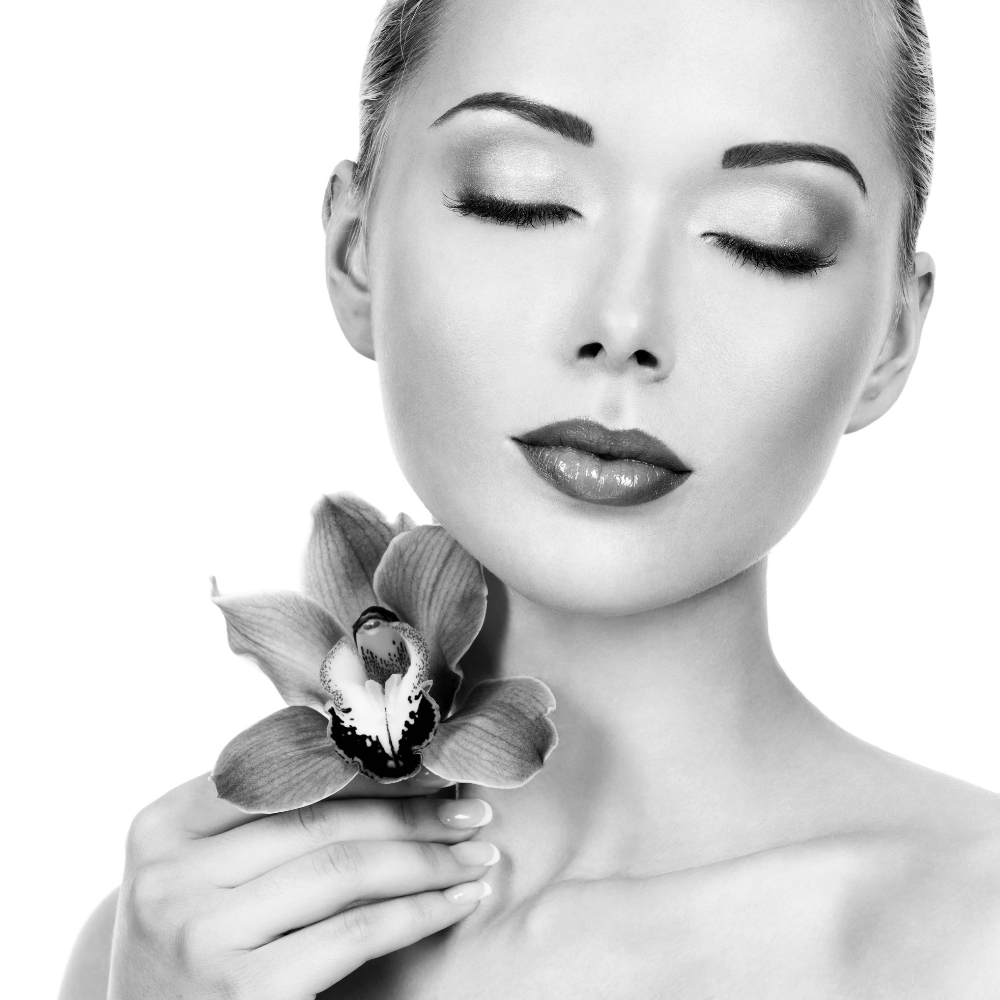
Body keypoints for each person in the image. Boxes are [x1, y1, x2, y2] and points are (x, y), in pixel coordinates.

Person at [60, 0, 1000, 996]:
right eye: (522, 197)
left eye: (764, 237)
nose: (625, 321)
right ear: (353, 250)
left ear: (891, 340)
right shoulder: (180, 945)